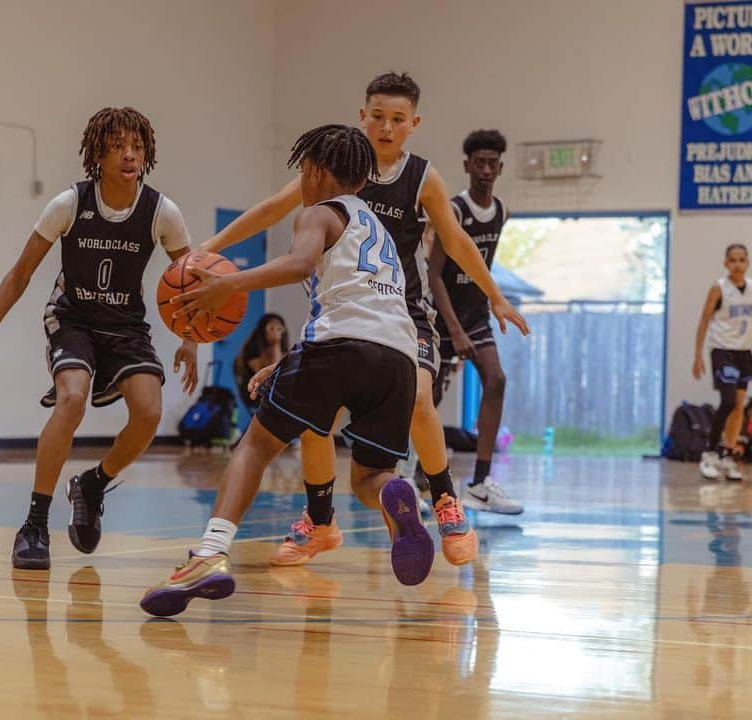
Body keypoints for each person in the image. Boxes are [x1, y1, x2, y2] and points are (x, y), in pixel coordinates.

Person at [199, 72, 529, 569]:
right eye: (378, 117)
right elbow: (269, 210)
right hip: (341, 319)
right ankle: (320, 520)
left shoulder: (423, 177)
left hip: (407, 317)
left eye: (397, 119)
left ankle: (445, 500)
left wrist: (495, 296)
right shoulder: (334, 169)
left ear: (413, 124)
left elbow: (457, 243)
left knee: (420, 398)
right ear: (362, 116)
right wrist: (207, 249)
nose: (387, 127)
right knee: (316, 424)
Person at [140, 124, 432, 617]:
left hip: (341, 346)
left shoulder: (317, 213)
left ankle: (209, 555)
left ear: (315, 171)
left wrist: (228, 287)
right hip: (400, 359)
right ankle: (395, 495)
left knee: (254, 446)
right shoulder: (377, 229)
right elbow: (363, 311)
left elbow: (300, 267)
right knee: (369, 478)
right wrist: (286, 364)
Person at [0, 107, 199, 569]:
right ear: (97, 154)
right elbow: (20, 273)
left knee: (148, 411)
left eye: (137, 147)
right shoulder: (69, 204)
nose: (129, 155)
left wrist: (191, 339)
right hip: (73, 319)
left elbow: (192, 280)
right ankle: (34, 525)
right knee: (72, 399)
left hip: (125, 325)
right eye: (118, 147)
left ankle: (93, 484)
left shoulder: (162, 211)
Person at [427, 129, 523, 515]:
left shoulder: (501, 211)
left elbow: (480, 266)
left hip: (476, 313)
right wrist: (453, 329)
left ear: (500, 167)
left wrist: (491, 302)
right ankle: (417, 474)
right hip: (442, 313)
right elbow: (434, 275)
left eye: (492, 163)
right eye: (479, 162)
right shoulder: (454, 210)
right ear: (467, 166)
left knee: (496, 380)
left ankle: (481, 482)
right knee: (428, 399)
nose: (486, 169)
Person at [692, 243, 752, 480]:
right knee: (727, 401)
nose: (737, 264)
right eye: (732, 260)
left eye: (742, 260)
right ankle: (709, 453)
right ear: (725, 263)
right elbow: (704, 321)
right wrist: (698, 356)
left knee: (738, 407)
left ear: (747, 262)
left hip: (744, 352)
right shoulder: (718, 288)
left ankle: (726, 456)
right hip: (722, 351)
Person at [234, 313, 288, 413]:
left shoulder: (284, 351)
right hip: (257, 399)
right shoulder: (252, 351)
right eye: (272, 327)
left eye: (279, 327)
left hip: (278, 400)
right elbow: (272, 375)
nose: (276, 330)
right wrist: (275, 343)